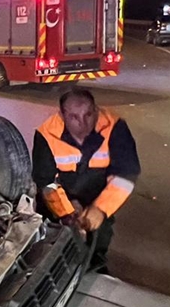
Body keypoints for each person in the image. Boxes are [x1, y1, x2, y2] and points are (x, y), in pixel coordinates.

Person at [31, 87, 141, 272]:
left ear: (96, 110)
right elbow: (46, 182)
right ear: (62, 115)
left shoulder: (115, 127)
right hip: (59, 199)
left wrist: (100, 209)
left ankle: (95, 266)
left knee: (100, 238)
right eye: (74, 116)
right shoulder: (46, 134)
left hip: (98, 195)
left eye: (88, 114)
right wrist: (66, 212)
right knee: (51, 243)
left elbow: (126, 175)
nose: (82, 123)